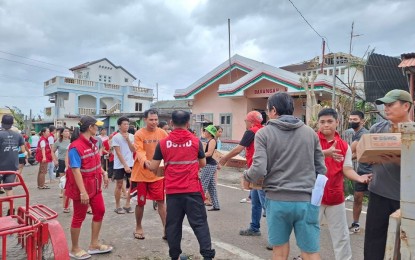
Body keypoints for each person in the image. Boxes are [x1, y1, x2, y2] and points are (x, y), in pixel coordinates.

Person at [243, 92, 327, 260]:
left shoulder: (264, 133)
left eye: (268, 110)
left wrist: (246, 176)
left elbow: (259, 168)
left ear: (273, 110)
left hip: (277, 200)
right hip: (306, 200)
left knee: (279, 250)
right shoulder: (310, 133)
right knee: (310, 251)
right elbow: (321, 169)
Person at [149, 110, 216, 260]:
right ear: (188, 124)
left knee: (173, 226)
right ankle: (207, 256)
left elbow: (154, 167)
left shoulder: (163, 143)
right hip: (192, 190)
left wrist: (147, 164)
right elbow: (203, 163)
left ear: (171, 123)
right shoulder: (195, 141)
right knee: (199, 224)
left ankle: (175, 256)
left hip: (173, 192)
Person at [317, 108, 372, 260]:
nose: (326, 125)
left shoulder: (344, 146)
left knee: (341, 235)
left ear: (337, 122)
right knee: (309, 232)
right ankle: (306, 256)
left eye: (330, 121)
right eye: (322, 122)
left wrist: (359, 178)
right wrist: (324, 152)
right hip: (313, 197)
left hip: (335, 196)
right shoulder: (312, 141)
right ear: (317, 124)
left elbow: (347, 168)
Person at [364, 89, 412, 260]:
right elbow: (364, 155)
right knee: (374, 243)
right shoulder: (377, 129)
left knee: (404, 246)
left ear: (406, 106)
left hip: (406, 199)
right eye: (385, 105)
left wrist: (400, 162)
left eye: (391, 104)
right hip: (378, 194)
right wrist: (370, 158)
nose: (386, 108)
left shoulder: (412, 132)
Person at [65, 116, 112, 260]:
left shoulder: (93, 142)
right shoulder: (75, 147)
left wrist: (103, 173)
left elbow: (96, 161)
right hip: (82, 189)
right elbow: (75, 170)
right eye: (96, 126)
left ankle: (94, 244)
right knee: (79, 217)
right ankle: (74, 248)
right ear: (90, 127)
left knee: (100, 211)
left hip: (95, 185)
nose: (98, 128)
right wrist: (83, 192)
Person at [219, 111, 266, 236]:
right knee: (255, 201)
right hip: (259, 169)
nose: (245, 123)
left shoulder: (251, 131)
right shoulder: (263, 130)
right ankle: (254, 228)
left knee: (266, 205)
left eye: (246, 121)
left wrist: (224, 159)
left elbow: (238, 149)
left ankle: (275, 238)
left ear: (250, 122)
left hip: (257, 171)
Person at [130, 109, 168, 239]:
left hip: (157, 174)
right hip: (140, 174)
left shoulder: (163, 133)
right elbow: (139, 151)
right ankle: (138, 226)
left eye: (156, 119)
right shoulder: (139, 134)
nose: (154, 122)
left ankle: (166, 229)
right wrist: (145, 162)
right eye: (151, 119)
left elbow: (168, 149)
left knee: (161, 202)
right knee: (140, 203)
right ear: (145, 120)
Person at [347, 111, 372, 233]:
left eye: (355, 119)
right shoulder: (356, 134)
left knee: (374, 201)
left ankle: (374, 227)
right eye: (350, 119)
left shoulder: (363, 134)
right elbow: (357, 153)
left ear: (362, 121)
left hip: (372, 172)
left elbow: (350, 151)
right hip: (361, 171)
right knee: (357, 198)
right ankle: (355, 224)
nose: (352, 121)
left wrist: (343, 161)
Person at [0, 115, 25, 214]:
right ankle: (11, 208)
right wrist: (13, 152)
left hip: (0, 166)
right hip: (12, 167)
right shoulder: (18, 135)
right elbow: (23, 150)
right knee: (8, 188)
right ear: (12, 124)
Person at [112, 117, 135, 214]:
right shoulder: (116, 137)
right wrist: (125, 165)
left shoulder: (131, 136)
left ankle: (127, 204)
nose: (126, 126)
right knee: (119, 184)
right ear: (119, 126)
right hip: (119, 165)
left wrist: (128, 140)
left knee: (132, 184)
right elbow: (118, 152)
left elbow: (133, 149)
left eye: (127, 124)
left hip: (131, 163)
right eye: (124, 124)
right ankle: (117, 206)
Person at [200, 125, 219, 211]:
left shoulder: (212, 141)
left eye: (206, 131)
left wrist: (199, 155)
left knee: (202, 185)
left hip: (209, 165)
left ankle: (198, 205)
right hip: (211, 164)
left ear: (210, 133)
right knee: (211, 187)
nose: (205, 132)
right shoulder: (210, 140)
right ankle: (216, 205)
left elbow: (209, 153)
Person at [52, 127, 71, 202]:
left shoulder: (71, 141)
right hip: (61, 161)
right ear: (62, 133)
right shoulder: (58, 142)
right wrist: (55, 160)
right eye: (65, 131)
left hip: (70, 161)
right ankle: (62, 191)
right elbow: (52, 151)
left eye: (68, 131)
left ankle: (68, 191)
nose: (67, 133)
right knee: (62, 177)